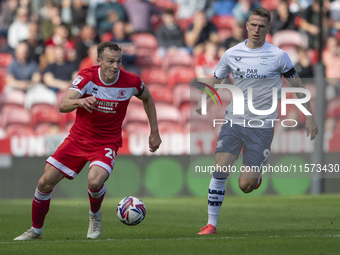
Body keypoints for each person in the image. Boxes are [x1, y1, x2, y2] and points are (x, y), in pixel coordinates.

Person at [13, 41, 162, 240]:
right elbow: (63, 105)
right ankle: (36, 230)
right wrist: (80, 101)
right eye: (110, 61)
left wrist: (155, 132)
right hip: (78, 139)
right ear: (99, 61)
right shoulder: (87, 77)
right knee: (44, 182)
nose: (115, 66)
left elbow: (148, 98)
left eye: (118, 61)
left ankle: (94, 215)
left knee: (94, 181)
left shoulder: (131, 81)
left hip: (106, 142)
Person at [195, 7, 318, 235]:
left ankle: (256, 177)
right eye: (253, 25)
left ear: (268, 29)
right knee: (220, 167)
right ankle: (211, 224)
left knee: (245, 186)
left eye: (262, 26)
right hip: (235, 121)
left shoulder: (279, 56)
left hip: (262, 127)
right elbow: (216, 79)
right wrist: (205, 101)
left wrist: (309, 116)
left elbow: (299, 87)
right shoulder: (231, 54)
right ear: (247, 26)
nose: (256, 29)